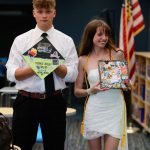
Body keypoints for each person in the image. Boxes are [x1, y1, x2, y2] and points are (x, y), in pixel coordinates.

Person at [6, 0, 78, 150]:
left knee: (55, 146)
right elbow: (11, 74)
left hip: (54, 101)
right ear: (34, 13)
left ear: (54, 12)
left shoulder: (66, 41)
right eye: (40, 12)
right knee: (20, 146)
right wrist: (35, 67)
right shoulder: (21, 40)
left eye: (48, 11)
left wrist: (54, 64)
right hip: (26, 101)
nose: (44, 16)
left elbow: (72, 76)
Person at [74, 19, 129, 150]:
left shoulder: (117, 54)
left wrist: (126, 83)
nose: (104, 38)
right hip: (94, 111)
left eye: (106, 34)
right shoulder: (82, 60)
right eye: (100, 34)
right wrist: (90, 90)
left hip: (115, 109)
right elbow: (76, 91)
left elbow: (125, 83)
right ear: (90, 35)